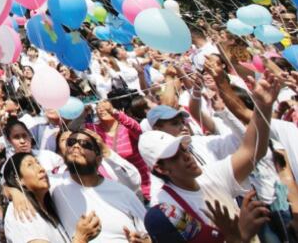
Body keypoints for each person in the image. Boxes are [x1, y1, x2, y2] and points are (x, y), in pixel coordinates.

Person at [141, 72, 281, 242]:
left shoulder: (210, 175)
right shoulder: (167, 208)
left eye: (183, 150)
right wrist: (240, 237)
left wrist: (263, 106)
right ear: (161, 168)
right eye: (174, 156)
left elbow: (252, 150)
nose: (187, 157)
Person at [50, 129, 150, 242]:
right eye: (71, 142)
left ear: (98, 160)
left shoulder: (123, 193)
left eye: (85, 144)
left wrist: (144, 241)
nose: (76, 146)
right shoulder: (53, 185)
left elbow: (150, 233)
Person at [2, 152, 99, 243]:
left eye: (38, 163)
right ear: (18, 179)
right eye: (30, 165)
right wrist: (80, 237)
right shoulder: (21, 209)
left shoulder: (48, 204)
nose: (41, 169)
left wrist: (86, 232)